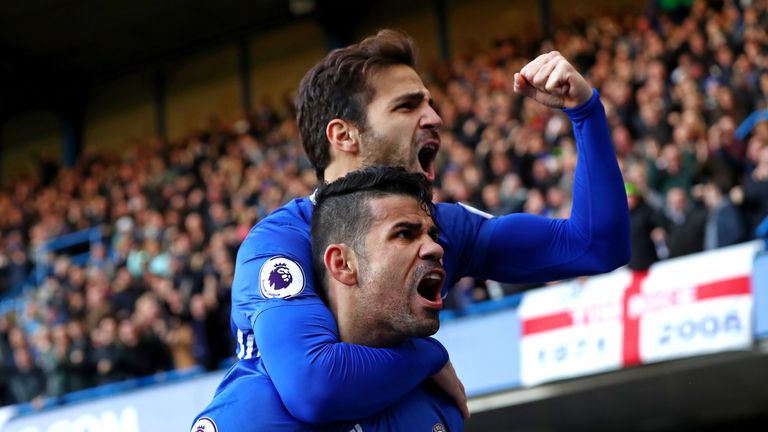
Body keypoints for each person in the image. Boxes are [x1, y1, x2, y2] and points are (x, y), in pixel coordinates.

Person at [192, 29, 630, 429]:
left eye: (430, 103)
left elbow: (595, 246)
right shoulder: (281, 242)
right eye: (407, 106)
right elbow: (314, 385)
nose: (435, 118)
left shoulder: (444, 227)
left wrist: (586, 113)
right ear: (344, 136)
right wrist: (429, 355)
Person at [195, 167, 464, 431]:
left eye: (433, 235)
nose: (435, 248)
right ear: (343, 264)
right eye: (404, 233)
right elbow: (316, 386)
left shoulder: (436, 398)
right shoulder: (248, 417)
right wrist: (430, 354)